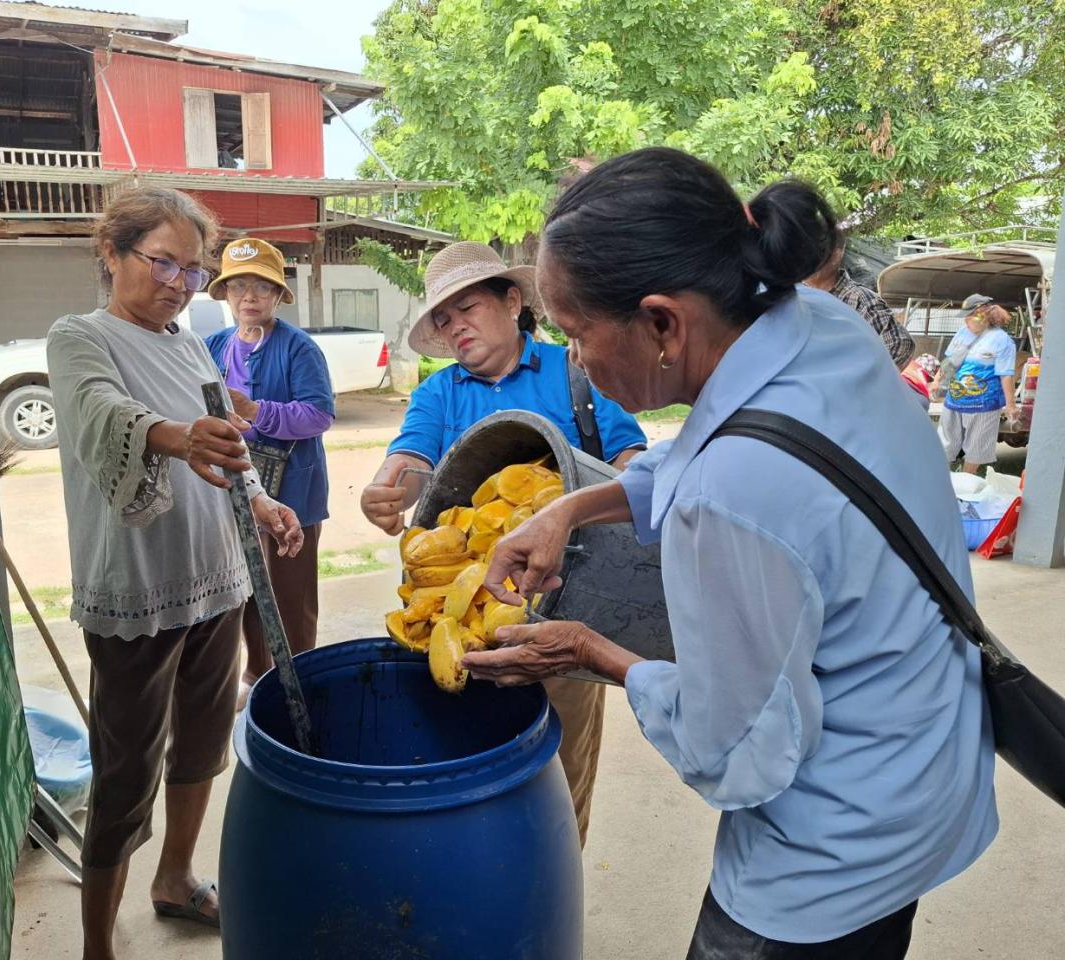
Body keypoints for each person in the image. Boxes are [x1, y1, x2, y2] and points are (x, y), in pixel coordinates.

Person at [464, 147, 996, 958]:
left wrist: (591, 652)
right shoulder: (817, 324)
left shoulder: (732, 496)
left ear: (663, 322)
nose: (575, 358)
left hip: (834, 848)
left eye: (576, 333)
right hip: (929, 760)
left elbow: (739, 750)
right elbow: (730, 441)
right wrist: (573, 507)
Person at [46, 187, 304, 960]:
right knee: (125, 773)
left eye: (192, 272)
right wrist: (172, 435)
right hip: (137, 593)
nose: (179, 285)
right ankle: (97, 942)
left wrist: (258, 501)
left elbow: (223, 436)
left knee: (200, 746)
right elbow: (99, 414)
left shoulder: (192, 342)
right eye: (163, 263)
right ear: (112, 254)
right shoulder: (79, 337)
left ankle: (177, 878)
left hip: (216, 581)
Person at [360, 240, 649, 847]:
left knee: (562, 779)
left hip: (570, 606)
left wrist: (582, 507)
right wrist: (391, 487)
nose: (454, 325)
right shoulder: (440, 393)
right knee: (475, 771)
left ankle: (556, 900)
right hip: (469, 622)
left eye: (467, 307)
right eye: (442, 318)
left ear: (511, 300)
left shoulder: (576, 373)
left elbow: (632, 459)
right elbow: (414, 459)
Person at [204, 238, 334, 709]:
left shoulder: (299, 349)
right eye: (238, 286)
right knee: (245, 588)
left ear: (278, 295)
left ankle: (301, 679)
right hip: (234, 489)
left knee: (291, 592)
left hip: (294, 488)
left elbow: (319, 414)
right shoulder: (211, 347)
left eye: (261, 286)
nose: (249, 297)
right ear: (224, 294)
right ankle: (257, 673)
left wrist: (256, 410)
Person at [804, 230, 916, 368]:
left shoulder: (860, 300)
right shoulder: (796, 298)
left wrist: (860, 383)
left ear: (836, 255)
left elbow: (900, 345)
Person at [935, 295, 1019, 474]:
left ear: (982, 314)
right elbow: (949, 361)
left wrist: (1010, 406)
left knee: (976, 449)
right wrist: (936, 381)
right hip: (954, 401)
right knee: (944, 444)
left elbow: (1006, 375)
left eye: (969, 316)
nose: (965, 321)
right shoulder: (962, 332)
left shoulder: (1002, 340)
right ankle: (941, 479)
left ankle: (965, 483)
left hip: (983, 405)